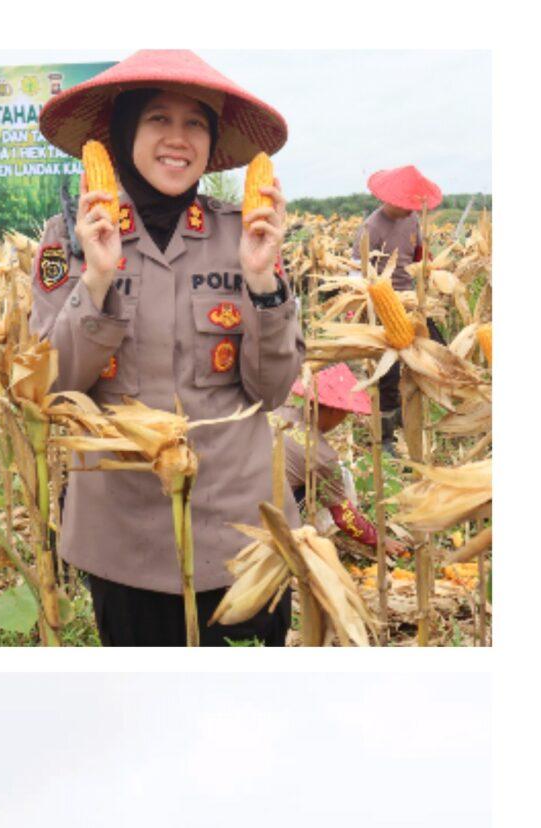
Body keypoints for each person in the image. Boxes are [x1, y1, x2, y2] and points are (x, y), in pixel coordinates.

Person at [32, 50, 299, 646]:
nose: (178, 139)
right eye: (158, 119)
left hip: (240, 535)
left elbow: (273, 389)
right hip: (124, 538)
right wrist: (97, 280)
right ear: (125, 130)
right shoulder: (69, 243)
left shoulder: (244, 235)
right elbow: (47, 387)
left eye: (196, 123)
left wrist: (260, 282)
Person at [361, 168, 445, 436]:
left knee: (439, 351)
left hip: (410, 301)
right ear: (391, 199)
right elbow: (357, 269)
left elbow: (420, 253)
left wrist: (430, 270)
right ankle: (385, 431)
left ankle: (418, 414)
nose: (412, 210)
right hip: (383, 305)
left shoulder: (412, 222)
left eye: (414, 204)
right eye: (407, 204)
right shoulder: (371, 227)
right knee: (388, 373)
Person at [277, 368, 385, 555]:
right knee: (335, 477)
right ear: (335, 410)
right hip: (267, 512)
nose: (343, 420)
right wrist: (378, 540)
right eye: (345, 413)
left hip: (229, 492)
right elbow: (344, 517)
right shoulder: (323, 457)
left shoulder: (278, 412)